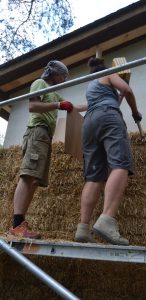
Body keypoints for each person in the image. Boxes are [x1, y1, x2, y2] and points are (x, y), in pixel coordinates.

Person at [75, 57, 142, 245]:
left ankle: (83, 228)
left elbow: (111, 100)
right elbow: (127, 90)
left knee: (94, 176)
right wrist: (135, 112)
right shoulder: (108, 74)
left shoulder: (91, 86)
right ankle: (107, 219)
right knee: (120, 163)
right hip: (108, 118)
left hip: (89, 123)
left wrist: (118, 95)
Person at [9, 60, 73, 239]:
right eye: (63, 75)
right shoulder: (40, 83)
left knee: (34, 181)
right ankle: (16, 226)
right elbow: (33, 106)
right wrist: (58, 106)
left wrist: (94, 104)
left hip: (45, 138)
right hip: (37, 132)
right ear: (55, 73)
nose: (64, 79)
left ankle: (20, 224)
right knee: (27, 176)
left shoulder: (53, 93)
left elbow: (72, 106)